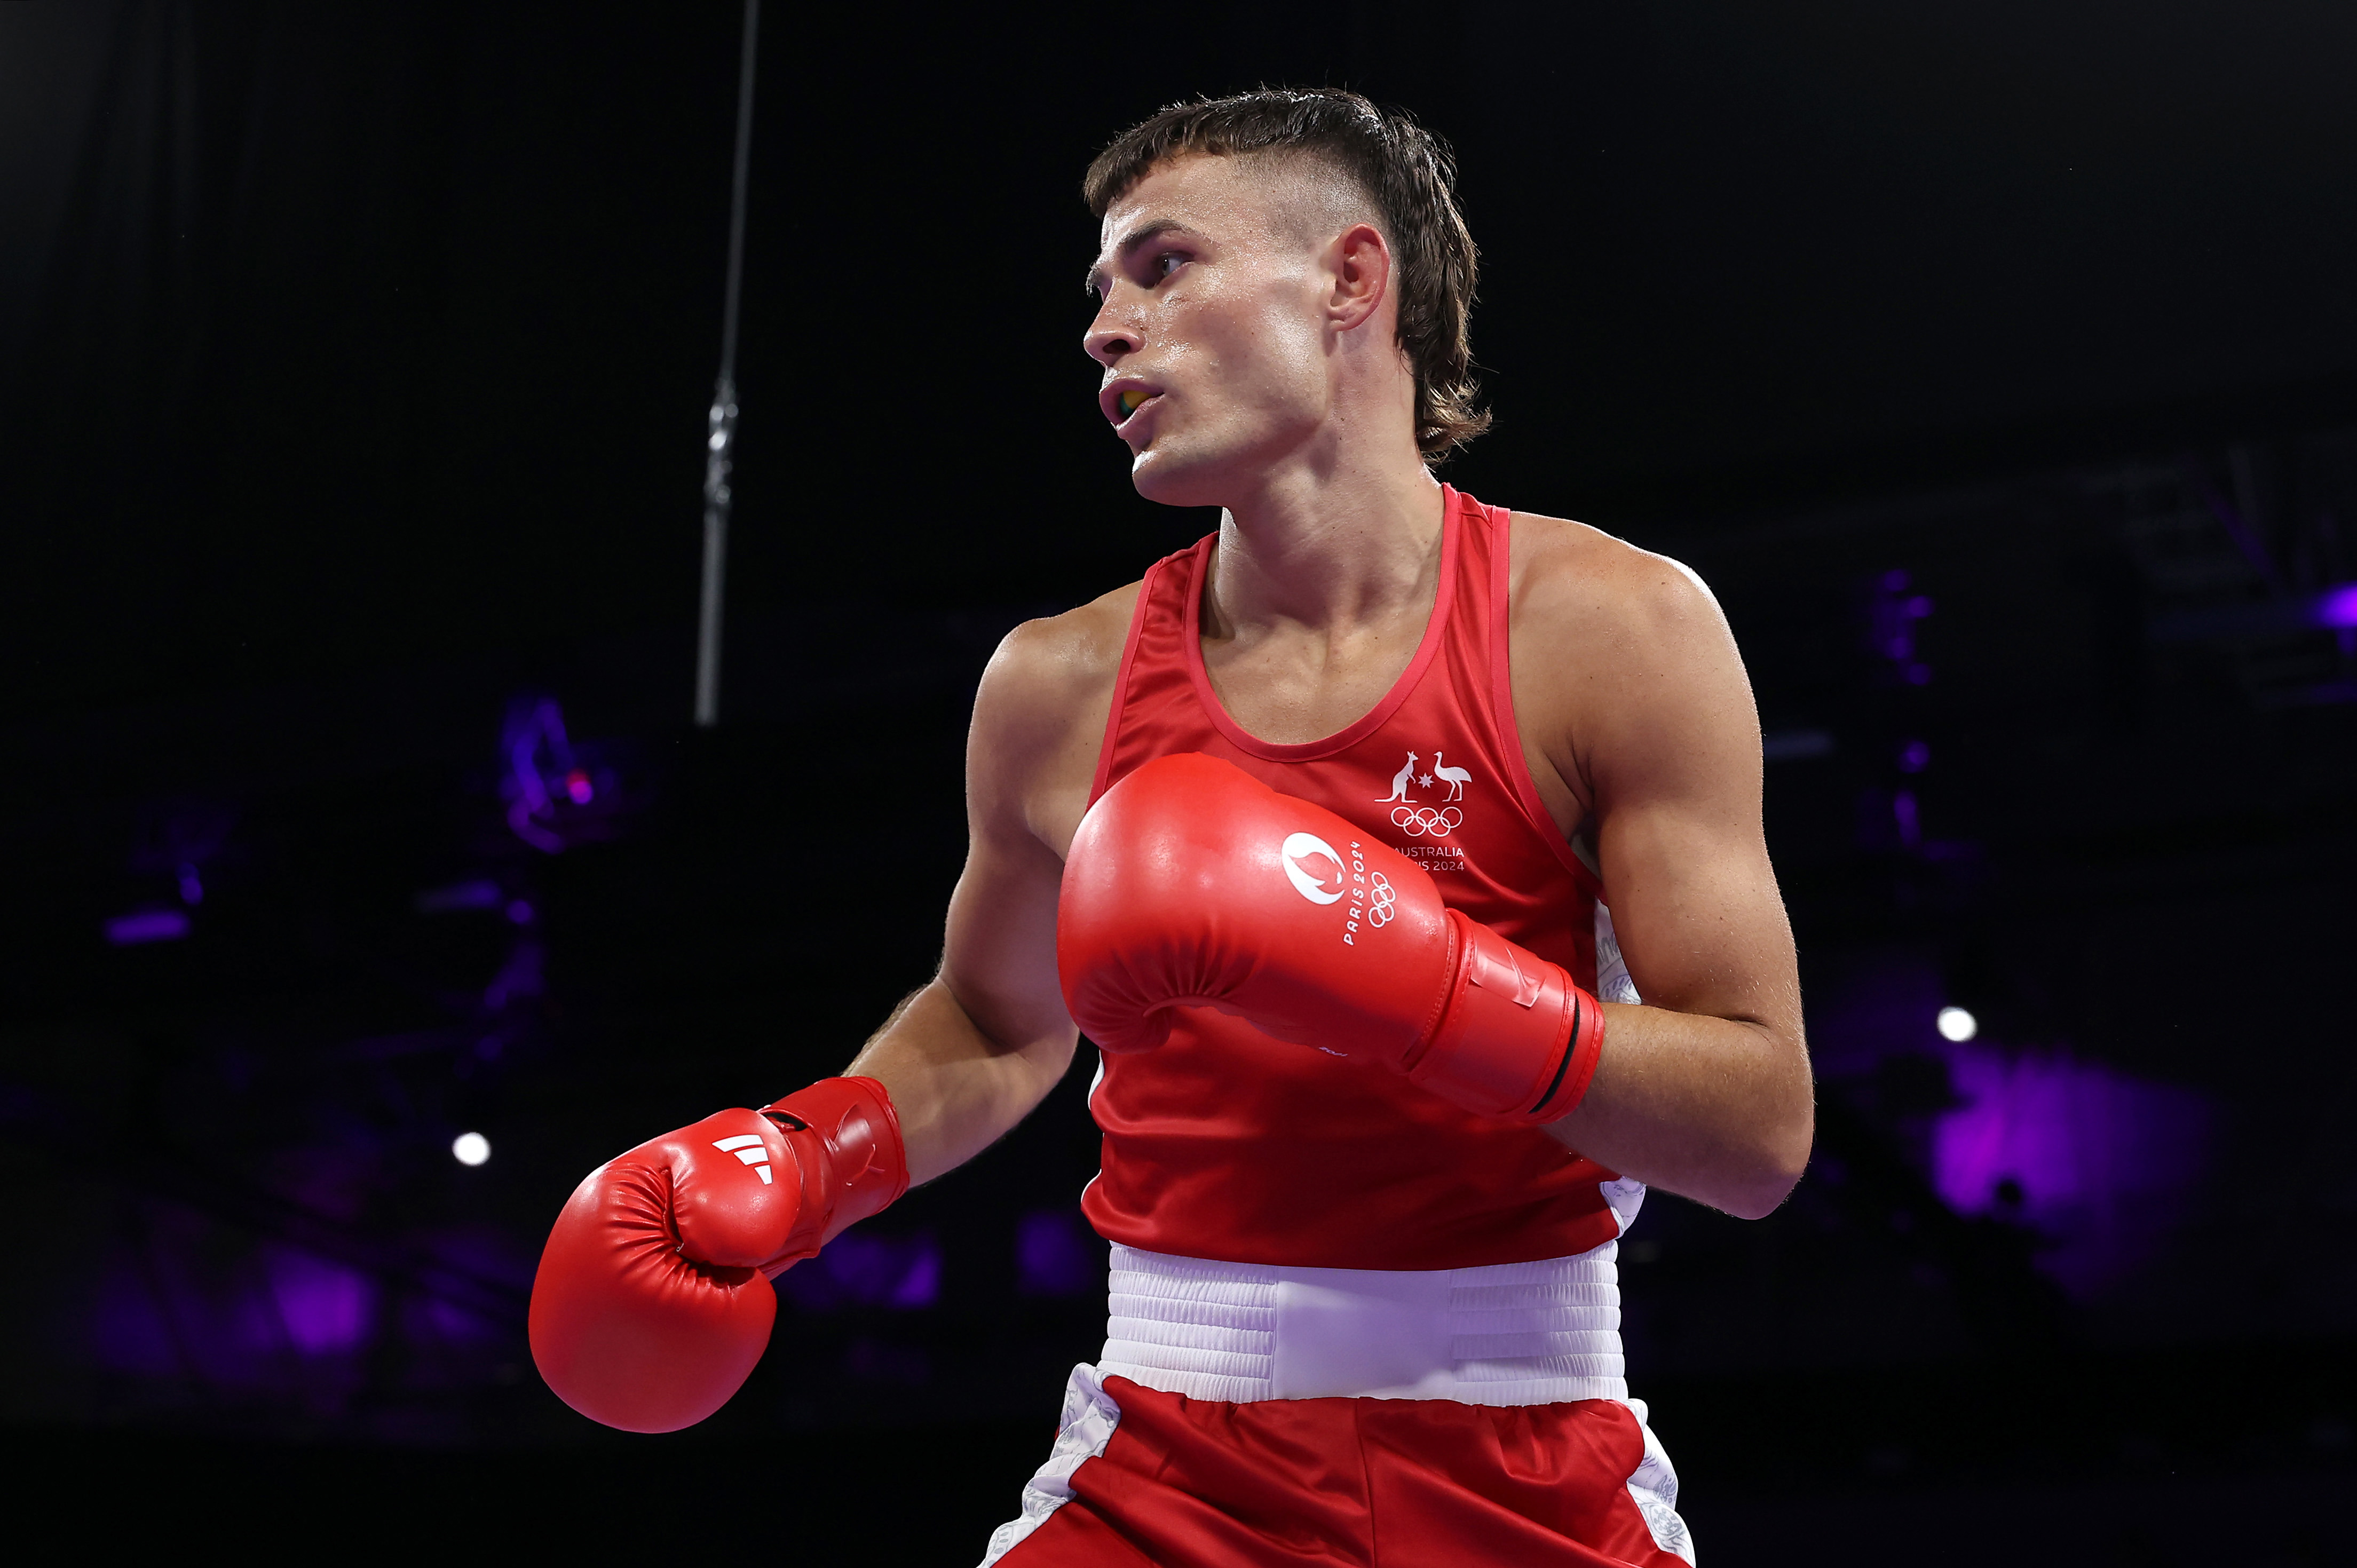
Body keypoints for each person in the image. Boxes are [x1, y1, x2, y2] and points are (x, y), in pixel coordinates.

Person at [528, 88, 1810, 1566]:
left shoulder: (1609, 631)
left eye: (1162, 265)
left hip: (1526, 1448)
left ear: (1349, 278)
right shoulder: (1057, 686)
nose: (1104, 327)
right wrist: (810, 1158)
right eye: (1100, 290)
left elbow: (1761, 1128)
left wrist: (1433, 988)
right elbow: (996, 1022)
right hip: (1168, 1464)